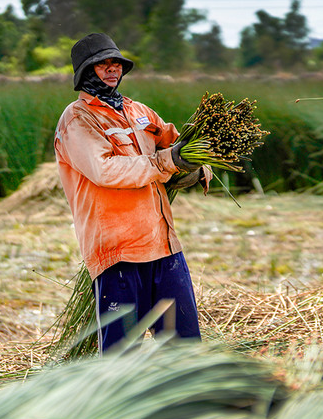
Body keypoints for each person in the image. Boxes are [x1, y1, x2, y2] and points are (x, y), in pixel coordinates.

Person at [54, 32, 209, 352]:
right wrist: (167, 161)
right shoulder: (77, 119)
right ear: (86, 72)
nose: (112, 70)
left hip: (164, 247)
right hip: (117, 253)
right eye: (102, 65)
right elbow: (105, 170)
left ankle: (185, 402)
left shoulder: (139, 111)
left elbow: (173, 142)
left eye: (116, 64)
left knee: (186, 351)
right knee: (122, 359)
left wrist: (199, 163)